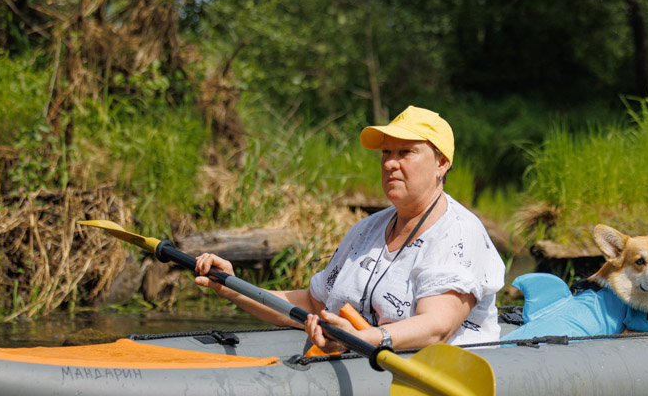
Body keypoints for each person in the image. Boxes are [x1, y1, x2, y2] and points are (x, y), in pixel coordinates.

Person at [193, 106, 505, 350]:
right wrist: (233, 287)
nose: (390, 163)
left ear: (441, 163)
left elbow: (437, 327)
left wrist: (362, 339)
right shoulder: (365, 230)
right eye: (386, 152)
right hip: (362, 352)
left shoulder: (459, 232)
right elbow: (313, 304)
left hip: (442, 366)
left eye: (406, 152)